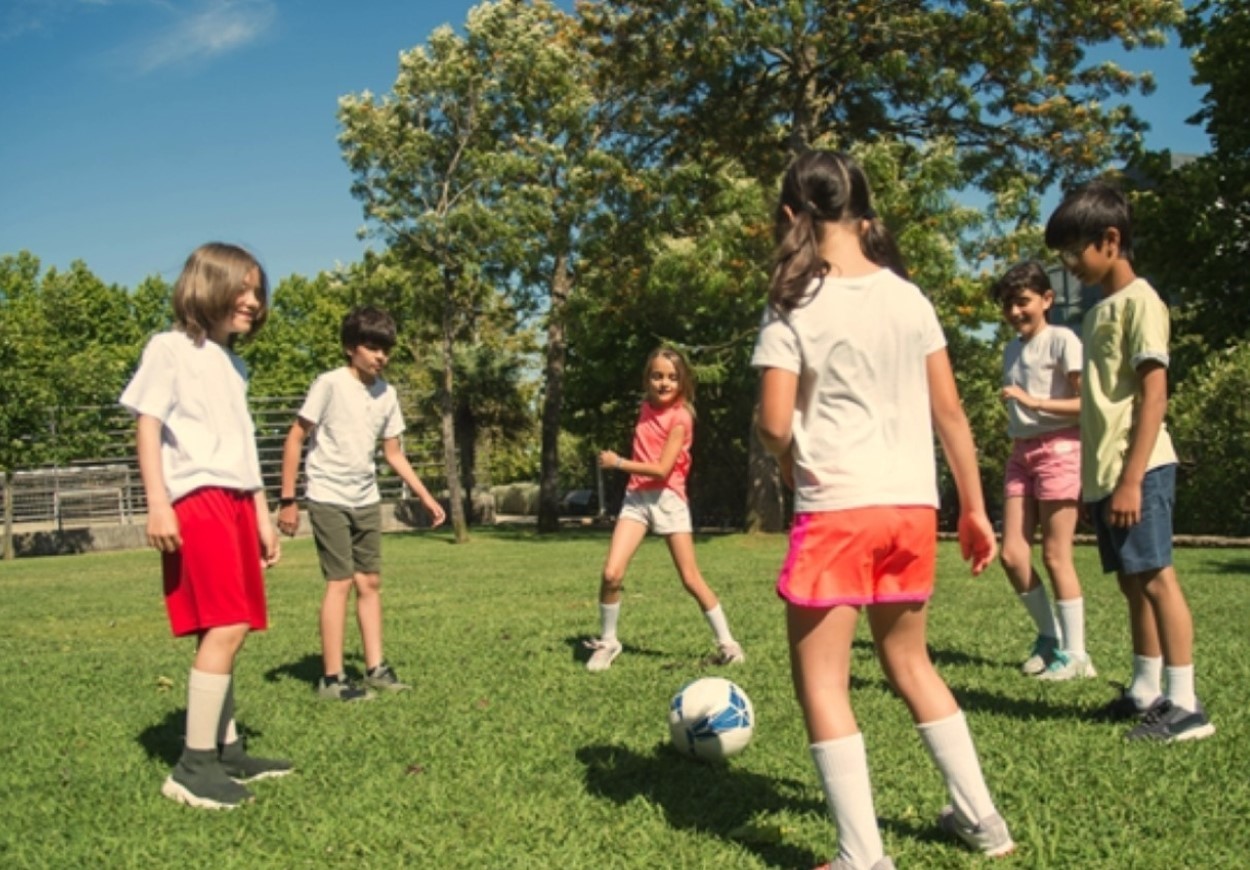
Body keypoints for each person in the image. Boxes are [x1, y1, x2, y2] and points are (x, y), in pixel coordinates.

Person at [752, 150, 1013, 868]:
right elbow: (952, 413)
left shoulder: (791, 302)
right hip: (910, 510)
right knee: (911, 664)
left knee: (824, 685)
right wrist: (975, 509)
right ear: (861, 210)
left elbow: (775, 424)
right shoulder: (910, 297)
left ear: (787, 216)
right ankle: (983, 819)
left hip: (837, 509)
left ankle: (862, 857)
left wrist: (783, 459)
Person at [120, 242, 290, 810]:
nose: (253, 302)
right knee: (225, 624)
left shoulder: (233, 363)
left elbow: (243, 446)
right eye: (241, 289)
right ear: (206, 285)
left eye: (257, 292)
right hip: (198, 498)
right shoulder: (169, 348)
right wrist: (158, 502)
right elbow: (148, 426)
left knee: (230, 627)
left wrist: (263, 515)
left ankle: (227, 747)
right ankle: (193, 768)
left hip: (239, 502)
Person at [1045, 181, 1214, 742]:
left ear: (1110, 240)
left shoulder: (1142, 302)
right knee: (1131, 583)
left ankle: (1186, 705)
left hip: (1138, 469)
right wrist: (1101, 482)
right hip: (1106, 474)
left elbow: (1154, 396)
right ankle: (1146, 691)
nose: (1070, 265)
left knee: (1157, 577)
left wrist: (1131, 480)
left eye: (1075, 252)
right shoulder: (1097, 311)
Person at [277, 306, 446, 702]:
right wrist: (288, 501)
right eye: (372, 348)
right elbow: (295, 438)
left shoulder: (387, 393)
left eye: (386, 349)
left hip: (365, 497)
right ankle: (332, 679)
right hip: (327, 495)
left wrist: (426, 496)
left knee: (370, 582)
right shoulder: (330, 384)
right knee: (339, 582)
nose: (380, 357)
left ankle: (376, 668)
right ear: (351, 348)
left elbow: (394, 453)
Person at [583, 347, 745, 673]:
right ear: (647, 379)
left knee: (689, 577)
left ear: (682, 382)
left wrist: (618, 463)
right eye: (657, 376)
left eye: (672, 377)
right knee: (611, 573)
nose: (664, 383)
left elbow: (662, 468)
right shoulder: (644, 408)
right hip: (636, 500)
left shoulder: (681, 417)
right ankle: (609, 640)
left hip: (668, 499)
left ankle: (728, 644)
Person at [990, 262, 1094, 681]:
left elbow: (1086, 404)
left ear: (1047, 300)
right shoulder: (1012, 349)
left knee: (1055, 555)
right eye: (1007, 305)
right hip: (1022, 453)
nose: (1015, 311)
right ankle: (1050, 639)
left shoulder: (1063, 340)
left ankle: (1078, 655)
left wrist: (1034, 402)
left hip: (1061, 449)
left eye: (1023, 302)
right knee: (1012, 554)